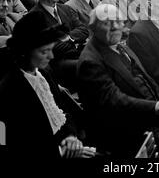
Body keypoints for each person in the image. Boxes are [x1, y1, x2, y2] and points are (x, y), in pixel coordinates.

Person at [77, 3, 159, 157]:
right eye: (107, 23)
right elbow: (114, 100)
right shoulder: (90, 62)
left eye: (118, 21)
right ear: (93, 28)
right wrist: (154, 106)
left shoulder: (119, 45)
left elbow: (147, 78)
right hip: (128, 128)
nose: (115, 27)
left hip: (151, 115)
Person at [0, 11, 96, 159]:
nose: (51, 56)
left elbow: (61, 109)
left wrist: (71, 138)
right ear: (25, 52)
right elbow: (17, 144)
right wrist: (61, 152)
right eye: (44, 52)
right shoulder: (9, 90)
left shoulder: (43, 73)